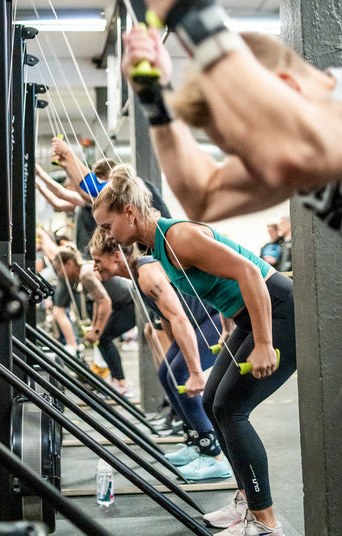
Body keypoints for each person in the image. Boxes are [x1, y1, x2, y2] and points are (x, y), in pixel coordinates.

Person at [92, 165, 296, 536]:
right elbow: (221, 281)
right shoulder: (159, 246)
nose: (106, 235)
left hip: (281, 312)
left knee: (231, 409)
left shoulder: (176, 238)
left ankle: (265, 523)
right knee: (211, 403)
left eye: (107, 226)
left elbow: (251, 273)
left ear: (129, 214)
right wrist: (231, 324)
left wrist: (264, 343)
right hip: (252, 316)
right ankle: (245, 500)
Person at [136, 0, 342, 240]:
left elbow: (297, 152)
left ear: (287, 87)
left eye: (248, 146)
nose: (248, 164)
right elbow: (205, 197)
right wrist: (153, 95)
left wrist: (197, 17)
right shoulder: (304, 150)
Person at [89, 227, 235, 480]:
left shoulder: (147, 273)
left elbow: (179, 319)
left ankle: (214, 457)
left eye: (97, 260)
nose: (94, 267)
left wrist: (194, 371)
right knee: (168, 373)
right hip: (196, 323)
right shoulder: (136, 278)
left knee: (180, 376)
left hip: (213, 318)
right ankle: (195, 444)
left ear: (115, 256)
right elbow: (167, 321)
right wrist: (173, 361)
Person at [52, 247, 136, 397]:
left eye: (60, 269)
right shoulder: (83, 274)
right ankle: (117, 381)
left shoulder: (85, 274)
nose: (59, 274)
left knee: (103, 337)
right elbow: (98, 302)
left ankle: (122, 384)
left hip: (131, 303)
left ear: (70, 263)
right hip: (123, 304)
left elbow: (105, 302)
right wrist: (95, 327)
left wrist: (97, 331)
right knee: (102, 338)